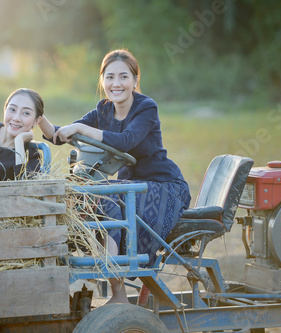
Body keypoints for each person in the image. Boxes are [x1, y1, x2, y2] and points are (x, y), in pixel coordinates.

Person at [39, 49, 191, 303]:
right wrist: (36, 115)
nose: (116, 84)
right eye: (110, 77)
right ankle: (88, 276)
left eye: (123, 77)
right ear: (102, 81)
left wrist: (81, 128)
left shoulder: (146, 107)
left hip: (163, 185)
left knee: (107, 195)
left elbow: (126, 140)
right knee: (87, 195)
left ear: (134, 80)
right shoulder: (103, 110)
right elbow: (60, 134)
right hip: (130, 185)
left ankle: (118, 293)